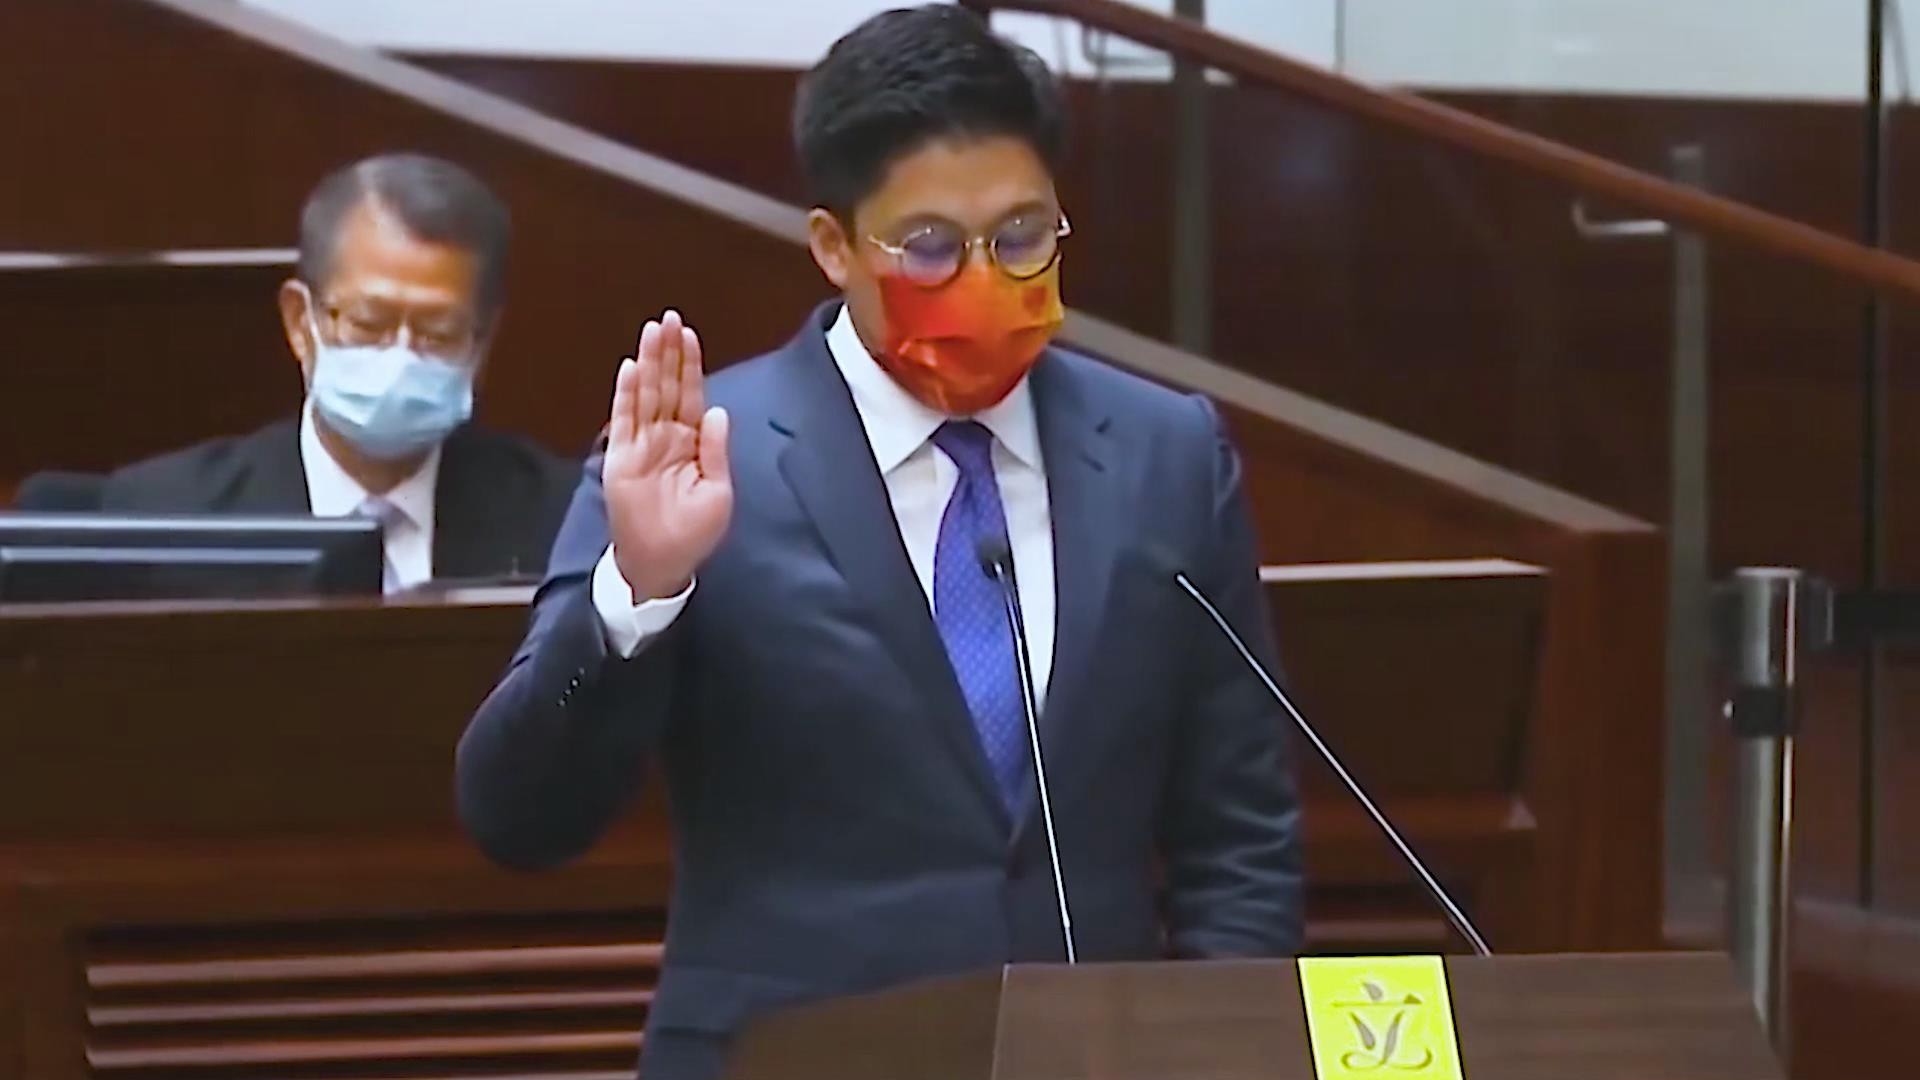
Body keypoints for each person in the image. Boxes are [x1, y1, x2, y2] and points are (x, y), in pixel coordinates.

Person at [457, 8, 1300, 1078]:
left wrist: (1219, 1051)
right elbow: (518, 816)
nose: (986, 279)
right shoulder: (701, 460)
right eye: (933, 248)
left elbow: (1240, 834)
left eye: (1022, 237)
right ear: (834, 247)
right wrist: (636, 594)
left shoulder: (1165, 455)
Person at [100, 153, 575, 590]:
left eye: (438, 332)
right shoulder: (165, 518)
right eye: (368, 324)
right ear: (298, 321)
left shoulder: (564, 522)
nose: (400, 357)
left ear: (482, 343)